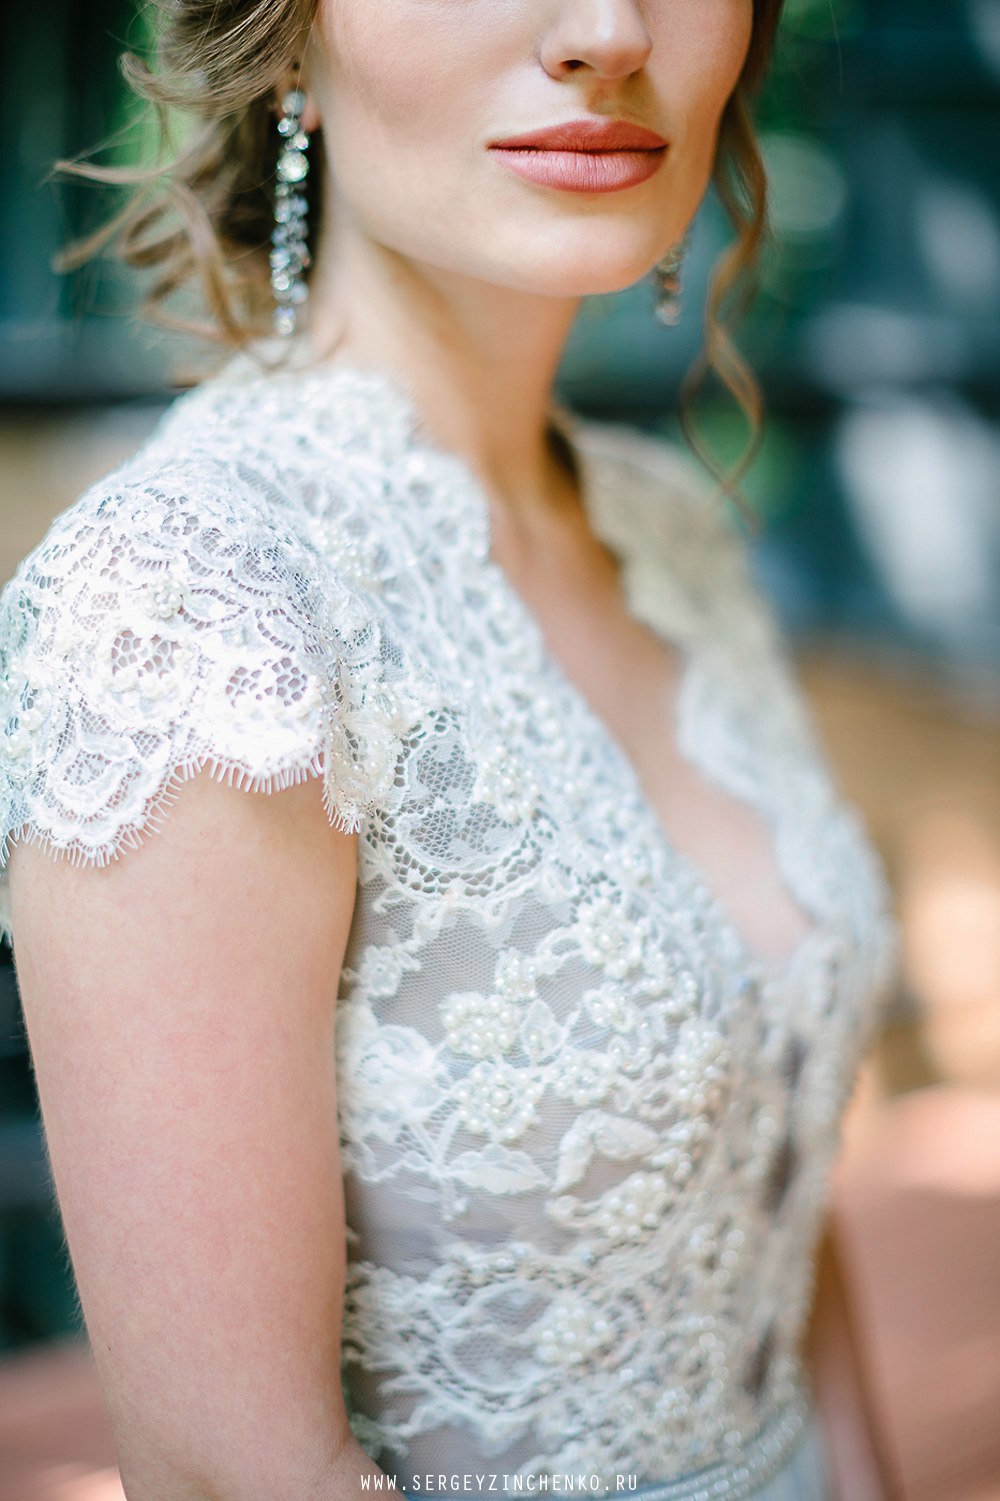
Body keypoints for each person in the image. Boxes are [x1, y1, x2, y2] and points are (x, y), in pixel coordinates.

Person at [0, 2, 905, 1499]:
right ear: (288, 43)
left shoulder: (668, 530)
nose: (608, 31)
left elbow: (772, 1193)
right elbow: (237, 1471)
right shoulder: (193, 602)